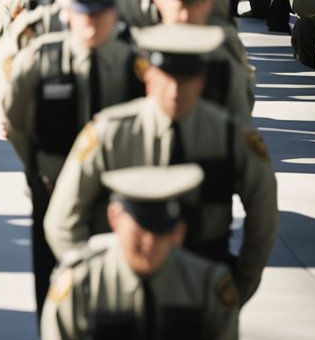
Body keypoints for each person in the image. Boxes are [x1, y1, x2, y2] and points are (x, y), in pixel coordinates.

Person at [44, 23, 279, 305]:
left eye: (187, 77)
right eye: (166, 74)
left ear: (202, 79)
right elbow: (62, 219)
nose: (176, 88)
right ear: (147, 75)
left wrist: (235, 290)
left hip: (200, 290)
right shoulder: (109, 133)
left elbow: (263, 219)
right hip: (120, 290)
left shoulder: (231, 138)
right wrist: (94, 279)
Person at [41, 164, 240, 340]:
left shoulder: (208, 286)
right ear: (115, 218)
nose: (149, 243)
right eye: (140, 230)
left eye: (161, 232)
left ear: (178, 233)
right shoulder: (81, 283)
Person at [1, 0, 144, 310]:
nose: (92, 22)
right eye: (83, 13)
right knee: (53, 281)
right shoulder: (41, 59)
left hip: (116, 191)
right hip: (53, 181)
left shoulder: (135, 66)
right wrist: (38, 169)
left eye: (100, 12)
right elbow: (18, 122)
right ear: (66, 16)